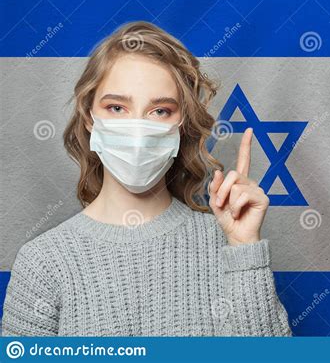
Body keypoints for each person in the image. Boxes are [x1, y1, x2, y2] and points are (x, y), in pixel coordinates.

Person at [1, 21, 292, 337]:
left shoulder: (227, 244)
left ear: (182, 124)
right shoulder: (44, 261)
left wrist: (244, 246)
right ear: (89, 117)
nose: (138, 129)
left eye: (160, 111)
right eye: (117, 107)